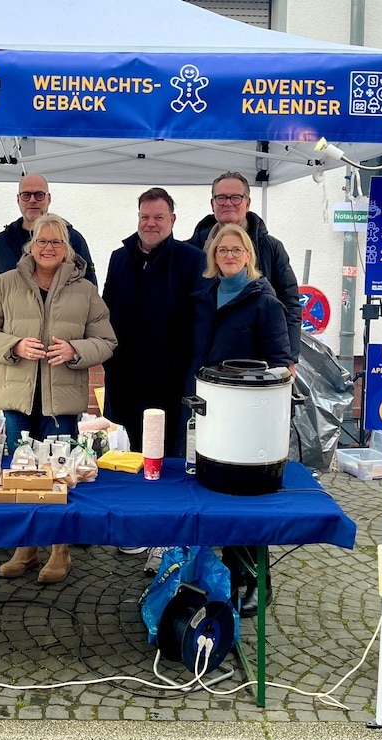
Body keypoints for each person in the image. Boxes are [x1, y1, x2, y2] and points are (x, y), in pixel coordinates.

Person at [0, 213, 117, 584]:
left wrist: (75, 350)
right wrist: (14, 345)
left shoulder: (84, 291)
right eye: (41, 241)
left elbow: (107, 341)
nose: (48, 248)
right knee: (21, 474)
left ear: (66, 248)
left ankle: (60, 549)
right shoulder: (4, 284)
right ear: (30, 245)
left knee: (58, 475)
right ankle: (26, 547)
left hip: (62, 401)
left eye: (55, 242)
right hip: (17, 397)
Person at [189, 223, 294, 618]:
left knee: (246, 500)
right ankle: (218, 575)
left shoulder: (265, 302)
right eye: (222, 251)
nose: (229, 256)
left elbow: (281, 362)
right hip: (209, 406)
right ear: (213, 257)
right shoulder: (203, 297)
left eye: (236, 250)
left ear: (249, 255)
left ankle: (254, 580)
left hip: (248, 417)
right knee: (213, 491)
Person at [102, 187, 208, 572]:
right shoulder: (120, 258)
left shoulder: (192, 260)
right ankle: (138, 529)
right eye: (145, 216)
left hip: (170, 379)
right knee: (131, 456)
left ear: (173, 221)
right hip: (127, 377)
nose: (150, 223)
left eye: (158, 217)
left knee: (169, 458)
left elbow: (198, 322)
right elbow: (107, 315)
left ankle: (166, 538)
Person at [188, 171, 301, 370]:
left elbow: (290, 304)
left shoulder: (270, 248)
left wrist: (289, 359)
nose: (228, 203)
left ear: (247, 203)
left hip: (252, 368)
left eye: (236, 197)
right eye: (221, 197)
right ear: (212, 203)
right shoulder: (193, 249)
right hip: (205, 372)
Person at [0, 174, 97, 304]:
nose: (32, 200)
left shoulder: (72, 239)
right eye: (26, 195)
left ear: (48, 198)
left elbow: (90, 290)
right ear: (18, 199)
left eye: (39, 194)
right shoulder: (0, 243)